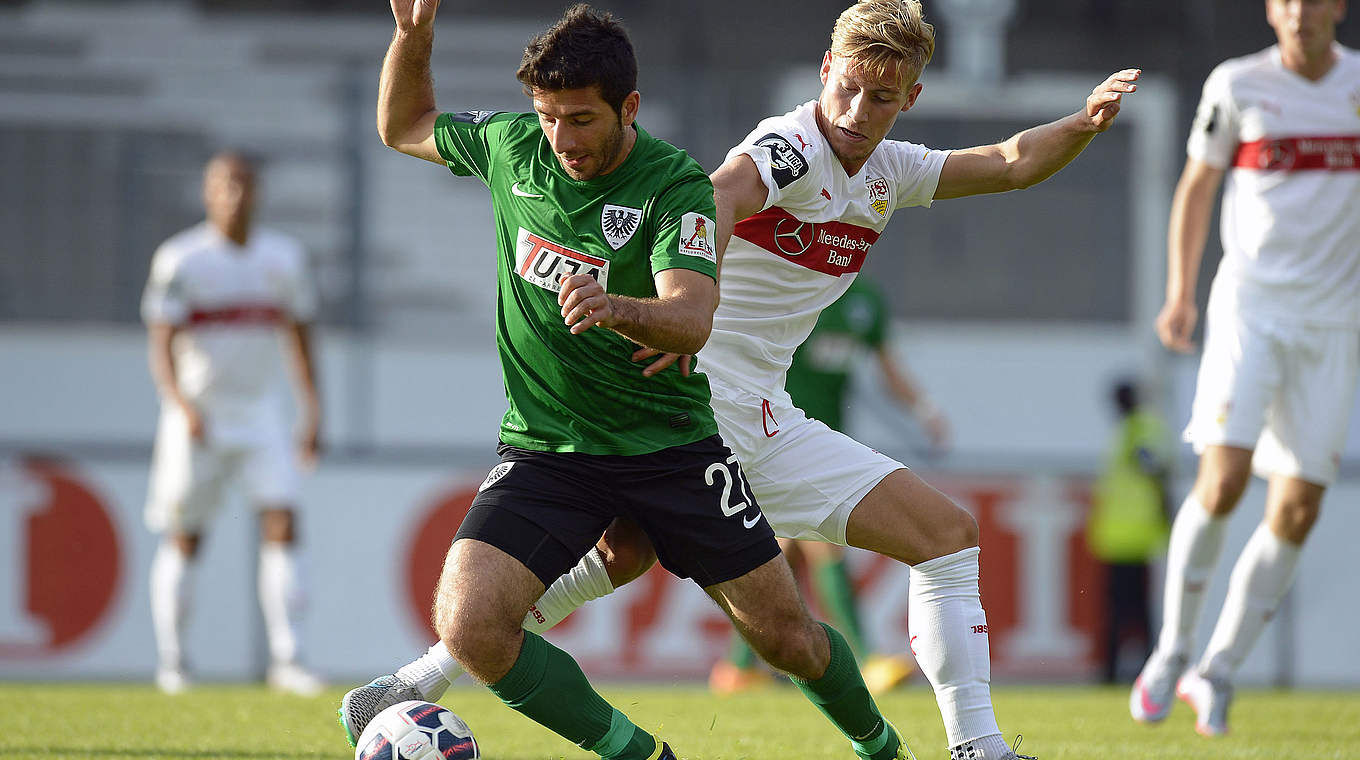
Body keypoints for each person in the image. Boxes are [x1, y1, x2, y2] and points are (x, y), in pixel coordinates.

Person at [346, 2, 1137, 758]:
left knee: (652, 558)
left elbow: (1008, 163)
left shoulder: (892, 170)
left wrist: (1081, 123)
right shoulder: (789, 147)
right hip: (697, 394)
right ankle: (977, 747)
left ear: (910, 98)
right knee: (922, 546)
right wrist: (685, 305)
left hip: (758, 409)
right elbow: (720, 196)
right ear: (825, 70)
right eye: (847, 87)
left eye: (882, 97)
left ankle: (424, 675)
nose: (858, 110)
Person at [363, 3, 914, 760]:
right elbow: (404, 125)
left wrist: (613, 305)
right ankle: (641, 756)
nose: (562, 139)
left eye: (581, 119)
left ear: (629, 108)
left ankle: (884, 749)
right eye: (549, 116)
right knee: (471, 624)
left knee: (788, 638)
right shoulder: (511, 147)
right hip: (548, 446)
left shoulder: (671, 184)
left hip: (674, 448)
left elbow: (691, 318)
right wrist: (412, 38)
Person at [1129, 0, 1358, 738]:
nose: (1300, 13)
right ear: (1271, 11)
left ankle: (1217, 670)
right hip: (1250, 312)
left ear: (1338, 8)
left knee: (1298, 508)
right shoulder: (1237, 84)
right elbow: (1197, 187)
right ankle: (1169, 653)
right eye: (1286, 0)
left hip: (1333, 323)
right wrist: (1179, 292)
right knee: (1223, 480)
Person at [709, 277, 948, 696]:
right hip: (775, 442)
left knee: (784, 552)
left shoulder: (866, 300)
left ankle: (737, 668)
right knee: (820, 545)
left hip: (826, 447)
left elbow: (887, 367)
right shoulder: (796, 286)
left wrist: (926, 411)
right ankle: (868, 656)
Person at [141, 151, 324, 696]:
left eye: (244, 184)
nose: (235, 195)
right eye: (224, 185)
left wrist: (311, 409)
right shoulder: (181, 259)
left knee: (284, 520)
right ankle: (173, 664)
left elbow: (300, 336)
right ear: (207, 193)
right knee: (186, 535)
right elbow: (161, 342)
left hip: (261, 412)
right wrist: (180, 403)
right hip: (199, 416)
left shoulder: (283, 257)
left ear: (258, 192)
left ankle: (288, 660)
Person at [1086, 380, 1170, 685]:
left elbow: (1151, 467)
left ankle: (1119, 672)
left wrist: (1165, 509)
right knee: (1134, 611)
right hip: (1128, 537)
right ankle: (1138, 670)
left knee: (1124, 612)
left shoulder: (1136, 430)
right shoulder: (1133, 429)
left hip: (1130, 538)